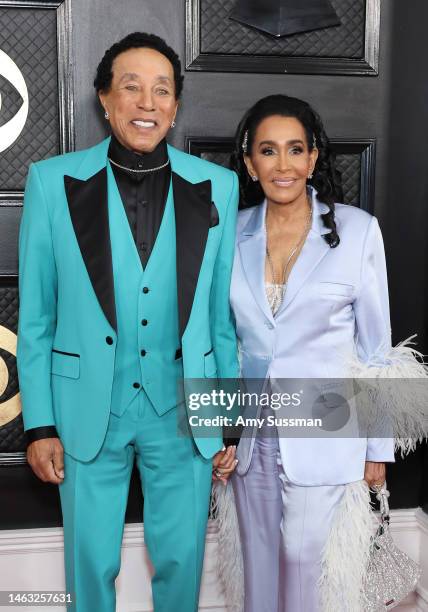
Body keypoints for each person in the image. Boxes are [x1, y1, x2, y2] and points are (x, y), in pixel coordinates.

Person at [17, 32, 239, 612]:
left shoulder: (217, 185)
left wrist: (228, 422)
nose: (148, 103)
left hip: (184, 414)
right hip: (88, 410)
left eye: (162, 90)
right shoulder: (50, 181)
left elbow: (220, 321)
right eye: (132, 87)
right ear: (104, 100)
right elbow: (37, 318)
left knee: (181, 563)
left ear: (176, 106)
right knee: (89, 567)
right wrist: (39, 425)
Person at [228, 94, 397, 611]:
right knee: (256, 564)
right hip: (250, 435)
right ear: (250, 161)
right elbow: (216, 339)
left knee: (306, 568)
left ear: (314, 157)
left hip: (328, 430)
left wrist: (377, 449)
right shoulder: (227, 233)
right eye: (269, 151)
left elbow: (377, 349)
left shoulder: (359, 230)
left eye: (295, 149)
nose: (283, 165)